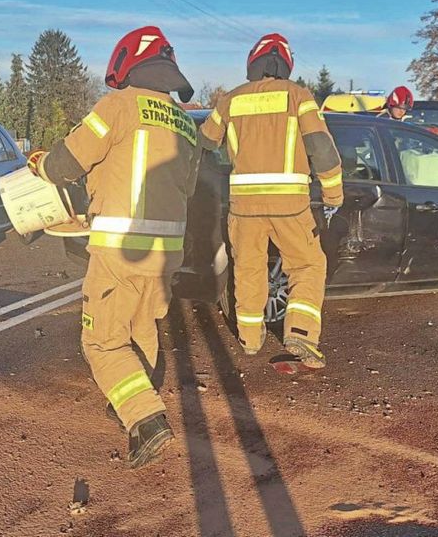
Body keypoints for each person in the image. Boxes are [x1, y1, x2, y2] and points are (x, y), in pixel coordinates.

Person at [28, 26, 201, 468]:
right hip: (167, 252)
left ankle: (145, 418)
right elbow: (190, 187)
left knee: (102, 341)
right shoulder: (186, 123)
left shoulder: (118, 106)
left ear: (127, 66)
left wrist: (41, 164)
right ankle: (134, 400)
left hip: (121, 249)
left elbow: (66, 162)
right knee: (141, 330)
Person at [198, 33, 343, 368]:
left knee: (248, 268)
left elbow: (206, 140)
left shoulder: (231, 99)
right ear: (286, 63)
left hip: (243, 208)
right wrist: (334, 193)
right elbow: (321, 148)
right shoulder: (298, 96)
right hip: (289, 206)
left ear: (253, 62)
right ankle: (301, 333)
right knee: (307, 265)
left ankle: (249, 339)